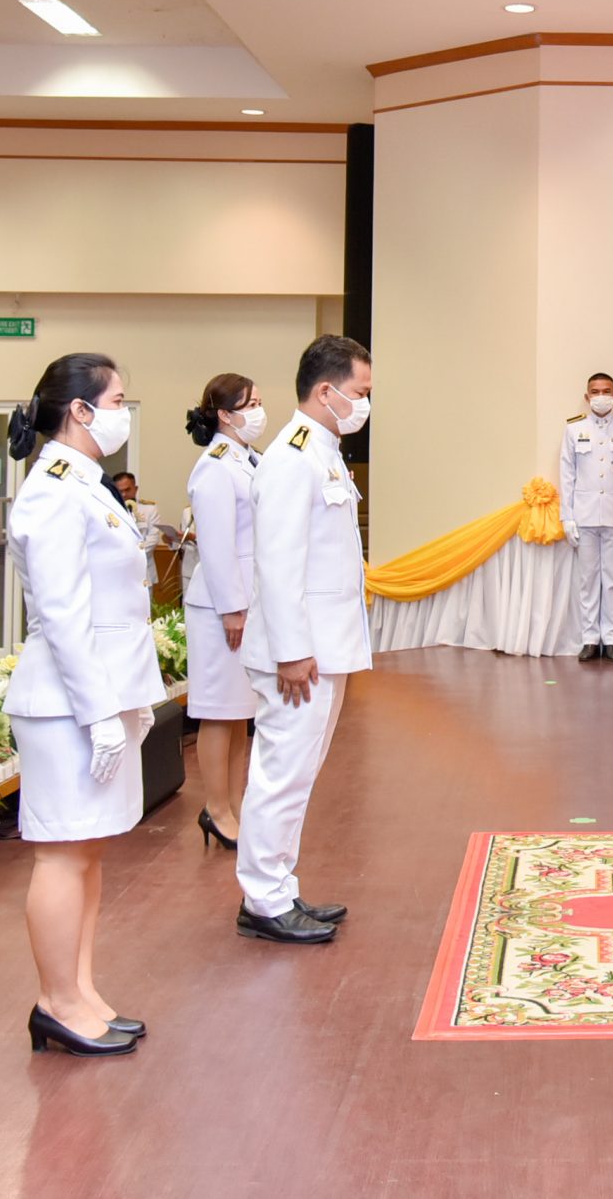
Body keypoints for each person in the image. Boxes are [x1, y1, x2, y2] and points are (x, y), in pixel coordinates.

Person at [4, 353, 163, 1057]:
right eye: (118, 399)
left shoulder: (85, 484)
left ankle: (81, 988)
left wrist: (130, 703)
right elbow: (66, 617)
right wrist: (99, 712)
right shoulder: (52, 491)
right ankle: (56, 1001)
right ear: (80, 409)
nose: (125, 411)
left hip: (100, 692)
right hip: (65, 701)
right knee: (62, 855)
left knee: (87, 853)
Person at [238, 334, 371, 945]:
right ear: (326, 391)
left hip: (324, 647)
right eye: (360, 392)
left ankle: (278, 887)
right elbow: (278, 562)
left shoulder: (322, 450)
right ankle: (263, 899)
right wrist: (292, 652)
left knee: (299, 774)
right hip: (299, 654)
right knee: (281, 774)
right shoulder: (292, 458)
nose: (365, 404)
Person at [181, 373, 265, 852]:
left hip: (246, 603)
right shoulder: (214, 466)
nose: (257, 411)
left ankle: (234, 804)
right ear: (224, 415)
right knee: (217, 712)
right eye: (249, 404)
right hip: (221, 609)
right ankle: (216, 808)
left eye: (258, 402)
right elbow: (215, 546)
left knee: (239, 713)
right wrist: (233, 609)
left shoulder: (247, 459)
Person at [559, 372, 613, 662]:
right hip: (584, 516)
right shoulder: (574, 430)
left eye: (606, 391)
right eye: (595, 391)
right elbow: (567, 476)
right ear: (587, 397)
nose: (601, 396)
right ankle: (590, 639)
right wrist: (567, 517)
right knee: (588, 580)